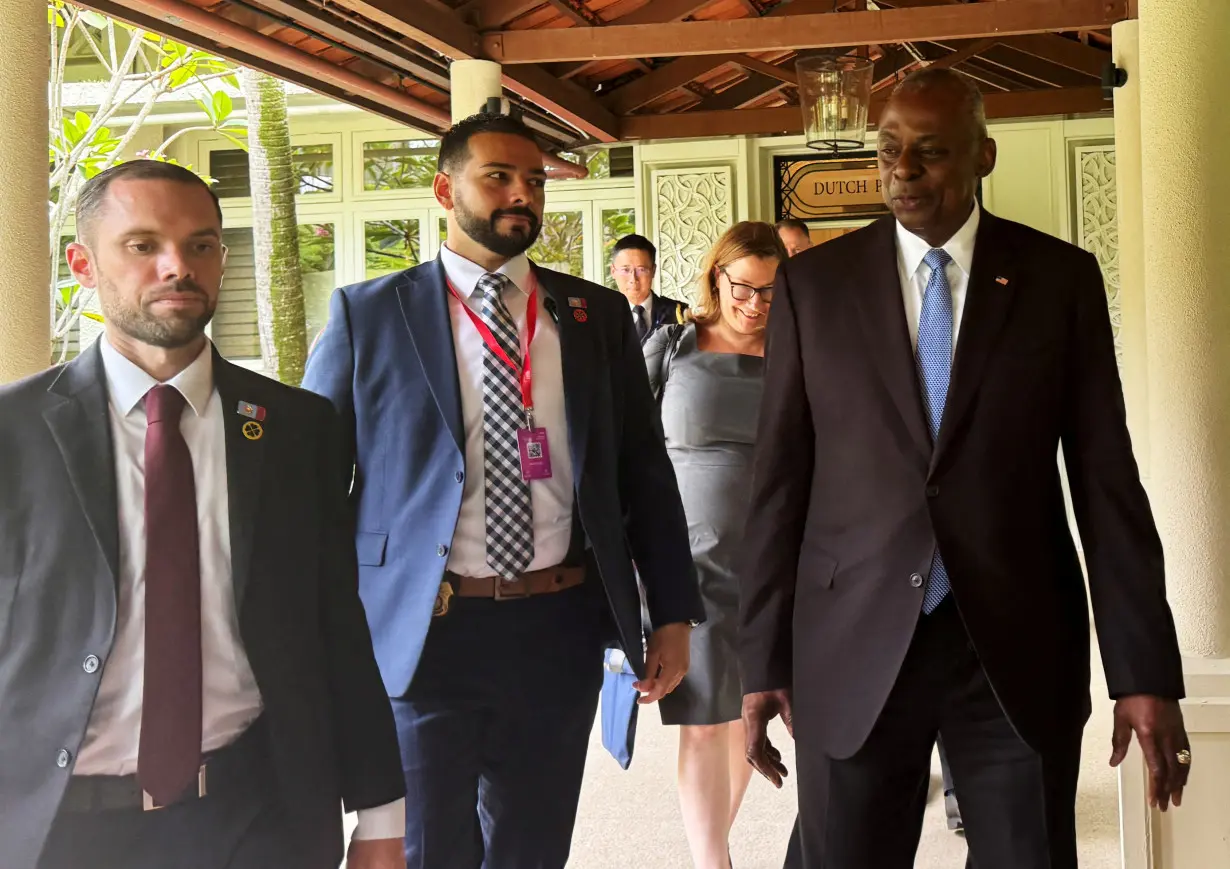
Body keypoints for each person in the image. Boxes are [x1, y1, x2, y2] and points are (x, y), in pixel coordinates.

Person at [740, 68, 1191, 869]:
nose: (903, 170)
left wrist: (1144, 670)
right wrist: (761, 658)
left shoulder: (1060, 280)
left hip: (1015, 646)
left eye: (931, 151)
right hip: (851, 641)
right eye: (890, 151)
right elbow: (780, 481)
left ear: (983, 155)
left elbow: (1106, 482)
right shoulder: (815, 287)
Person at [302, 112, 705, 869]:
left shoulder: (594, 315)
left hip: (557, 627)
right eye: (499, 176)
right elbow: (316, 487)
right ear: (443, 188)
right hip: (425, 631)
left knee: (532, 846)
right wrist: (320, 631)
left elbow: (643, 473)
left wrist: (673, 611)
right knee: (425, 847)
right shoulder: (368, 314)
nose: (522, 193)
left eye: (535, 180)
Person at [0, 160, 406, 869]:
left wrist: (381, 814)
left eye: (201, 244)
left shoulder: (297, 428)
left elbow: (336, 624)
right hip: (58, 827)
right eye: (143, 244)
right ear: (82, 265)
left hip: (254, 813)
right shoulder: (15, 433)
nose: (176, 266)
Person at [644, 222, 784, 869]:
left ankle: (711, 848)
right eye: (744, 287)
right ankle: (712, 862)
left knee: (747, 717)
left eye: (771, 292)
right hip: (690, 566)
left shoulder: (799, 354)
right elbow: (627, 449)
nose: (755, 303)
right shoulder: (671, 345)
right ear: (717, 278)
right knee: (702, 719)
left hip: (776, 566)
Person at [610, 233, 688, 343]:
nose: (633, 279)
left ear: (653, 271)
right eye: (625, 270)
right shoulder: (602, 316)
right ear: (613, 271)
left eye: (641, 270)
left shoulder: (679, 314)